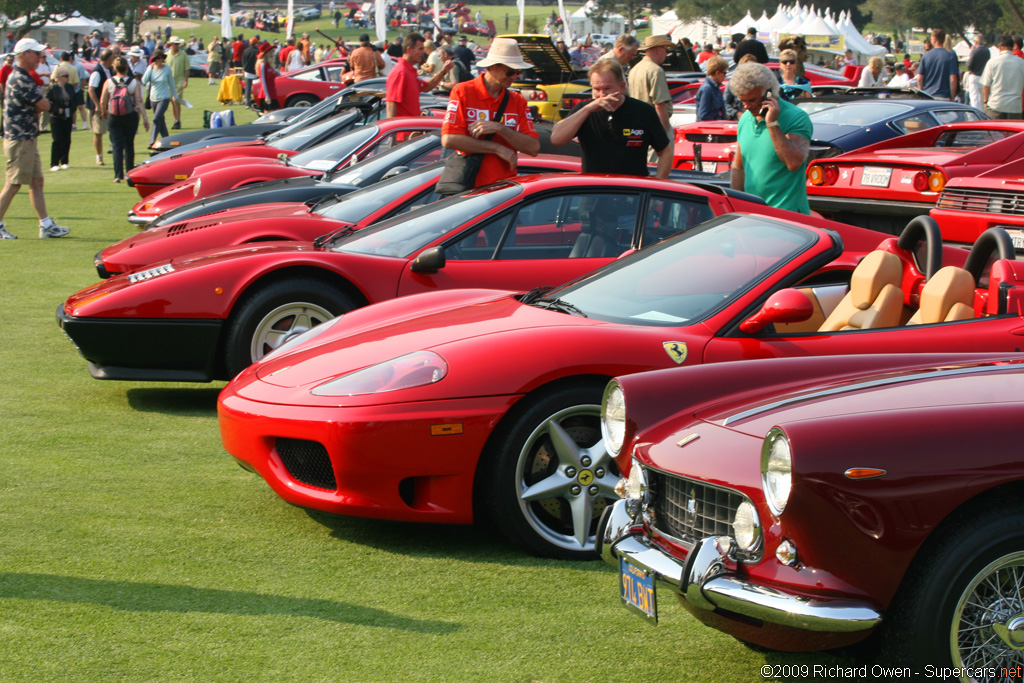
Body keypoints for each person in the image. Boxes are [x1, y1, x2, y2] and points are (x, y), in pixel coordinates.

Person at [441, 37, 540, 187]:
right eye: (510, 72)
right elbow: (449, 139)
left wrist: (499, 128)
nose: (514, 77)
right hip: (469, 189)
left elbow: (533, 148)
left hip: (503, 191)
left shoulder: (517, 100)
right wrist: (497, 148)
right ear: (492, 67)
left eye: (518, 72)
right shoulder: (463, 91)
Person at [551, 59, 670, 178]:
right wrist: (587, 110)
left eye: (607, 89)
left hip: (632, 190)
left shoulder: (643, 111)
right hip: (594, 189)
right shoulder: (584, 110)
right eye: (597, 89)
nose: (602, 95)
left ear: (622, 86)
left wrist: (659, 183)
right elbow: (557, 139)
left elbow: (665, 151)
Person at [0, 38, 69, 239]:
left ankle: (46, 225)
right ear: (23, 55)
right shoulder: (20, 78)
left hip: (27, 137)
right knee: (13, 184)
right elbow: (44, 105)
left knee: (36, 181)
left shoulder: (24, 76)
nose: (40, 57)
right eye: (35, 53)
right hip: (20, 138)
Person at [729, 62, 812, 214]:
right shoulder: (745, 120)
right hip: (753, 216)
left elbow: (793, 162)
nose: (746, 106)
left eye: (752, 100)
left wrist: (772, 123)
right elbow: (739, 168)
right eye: (742, 100)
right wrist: (736, 208)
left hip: (787, 216)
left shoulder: (796, 117)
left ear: (769, 94)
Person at [628, 35, 673, 164]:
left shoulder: (635, 69)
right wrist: (663, 134)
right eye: (665, 49)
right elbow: (660, 104)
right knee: (658, 168)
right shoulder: (656, 70)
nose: (666, 53)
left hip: (638, 127)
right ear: (659, 50)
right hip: (654, 126)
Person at [101, 57, 147, 183]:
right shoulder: (133, 82)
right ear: (127, 68)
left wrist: (104, 112)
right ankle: (129, 173)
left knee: (117, 146)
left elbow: (103, 100)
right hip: (129, 115)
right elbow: (138, 100)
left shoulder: (109, 82)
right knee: (129, 144)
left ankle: (118, 174)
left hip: (113, 115)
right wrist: (145, 117)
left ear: (114, 68)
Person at [385, 33, 451, 118]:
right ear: (409, 50)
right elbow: (391, 103)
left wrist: (443, 72)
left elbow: (426, 87)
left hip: (411, 128)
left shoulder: (409, 71)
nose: (423, 52)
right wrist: (393, 130)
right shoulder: (400, 72)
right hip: (404, 129)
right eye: (420, 49)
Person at [981, 35, 1024, 119]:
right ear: (1012, 47)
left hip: (996, 104)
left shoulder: (992, 62)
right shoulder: (1021, 62)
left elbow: (986, 85)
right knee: (1014, 132)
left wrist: (985, 101)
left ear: (1000, 47)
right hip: (1015, 106)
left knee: (994, 131)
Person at [142, 49, 176, 146]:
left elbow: (171, 83)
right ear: (155, 60)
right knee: (161, 120)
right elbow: (144, 81)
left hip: (164, 97)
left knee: (156, 119)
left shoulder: (167, 69)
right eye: (158, 58)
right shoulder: (151, 68)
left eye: (162, 58)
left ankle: (152, 141)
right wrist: (150, 68)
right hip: (153, 98)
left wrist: (175, 96)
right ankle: (167, 139)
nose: (160, 60)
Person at [87, 48, 114, 166]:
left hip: (109, 105)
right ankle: (99, 156)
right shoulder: (97, 72)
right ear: (108, 59)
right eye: (112, 57)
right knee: (99, 132)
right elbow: (91, 89)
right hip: (99, 107)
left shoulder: (109, 70)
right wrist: (97, 105)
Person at [917, 29, 959, 100]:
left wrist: (921, 94)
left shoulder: (926, 56)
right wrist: (952, 96)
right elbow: (953, 78)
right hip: (944, 96)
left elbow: (920, 79)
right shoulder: (950, 56)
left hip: (928, 95)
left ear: (934, 40)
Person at [46, 66, 75, 171]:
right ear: (59, 77)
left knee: (67, 139)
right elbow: (47, 103)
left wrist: (72, 110)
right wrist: (55, 109)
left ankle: (65, 161)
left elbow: (73, 100)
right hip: (56, 117)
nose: (68, 78)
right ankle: (54, 163)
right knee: (57, 140)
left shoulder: (69, 87)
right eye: (66, 76)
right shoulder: (52, 88)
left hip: (67, 116)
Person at [695, 55, 727, 121]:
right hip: (709, 128)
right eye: (724, 73)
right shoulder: (707, 89)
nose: (725, 76)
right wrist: (717, 121)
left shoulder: (715, 88)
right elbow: (703, 116)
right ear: (717, 73)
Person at [166, 36, 189, 128]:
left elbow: (186, 68)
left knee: (176, 101)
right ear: (171, 44)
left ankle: (178, 120)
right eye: (175, 44)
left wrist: (186, 80)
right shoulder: (166, 55)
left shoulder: (183, 55)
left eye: (178, 44)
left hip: (179, 81)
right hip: (169, 82)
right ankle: (176, 120)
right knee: (172, 102)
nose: (177, 45)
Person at [966, 33, 991, 110]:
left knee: (974, 97)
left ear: (976, 42)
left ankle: (975, 113)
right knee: (982, 97)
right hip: (983, 76)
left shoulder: (974, 51)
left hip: (974, 75)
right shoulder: (987, 51)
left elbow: (969, 65)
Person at [255, 42, 278, 111]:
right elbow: (263, 81)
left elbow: (278, 73)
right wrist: (267, 96)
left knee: (274, 113)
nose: (272, 53)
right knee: (268, 114)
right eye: (270, 51)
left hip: (273, 92)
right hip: (266, 94)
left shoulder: (269, 65)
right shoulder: (262, 65)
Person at [241, 37, 259, 107]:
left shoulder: (245, 50)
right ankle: (256, 101)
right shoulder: (257, 51)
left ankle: (247, 103)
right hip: (255, 71)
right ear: (255, 43)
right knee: (257, 88)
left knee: (248, 88)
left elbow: (243, 61)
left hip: (247, 71)